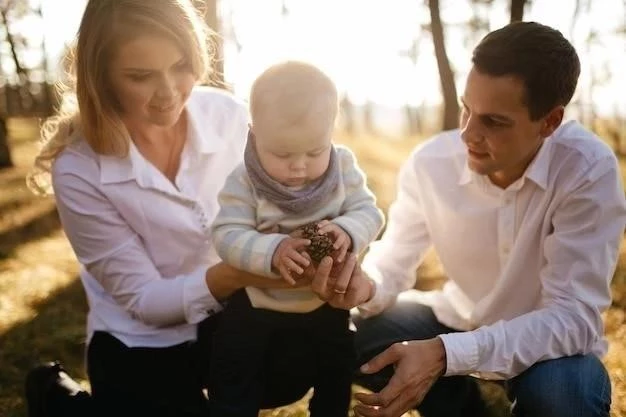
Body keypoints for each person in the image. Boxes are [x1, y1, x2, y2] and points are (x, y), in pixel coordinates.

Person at [22, 1, 352, 416]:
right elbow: (144, 300)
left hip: (235, 316)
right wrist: (240, 271)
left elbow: (302, 198)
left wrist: (320, 251)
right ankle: (58, 398)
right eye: (141, 76)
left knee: (292, 370)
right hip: (139, 336)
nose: (169, 92)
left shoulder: (228, 117)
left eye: (181, 66)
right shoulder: (79, 168)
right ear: (101, 77)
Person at [310, 21, 626, 417]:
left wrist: (446, 355)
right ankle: (465, 410)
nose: (466, 134)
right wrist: (364, 286)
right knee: (349, 335)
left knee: (563, 397)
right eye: (465, 109)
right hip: (458, 320)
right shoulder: (430, 164)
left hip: (549, 353)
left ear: (549, 122)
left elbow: (572, 319)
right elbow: (392, 264)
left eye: (493, 122)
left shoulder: (586, 169)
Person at [208, 60, 385, 416]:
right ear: (254, 133)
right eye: (283, 154)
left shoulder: (343, 167)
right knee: (235, 369)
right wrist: (272, 250)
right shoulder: (245, 179)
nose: (299, 166)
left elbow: (371, 213)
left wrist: (348, 229)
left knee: (336, 368)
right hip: (258, 303)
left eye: (314, 152)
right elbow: (226, 234)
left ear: (331, 132)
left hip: (325, 302)